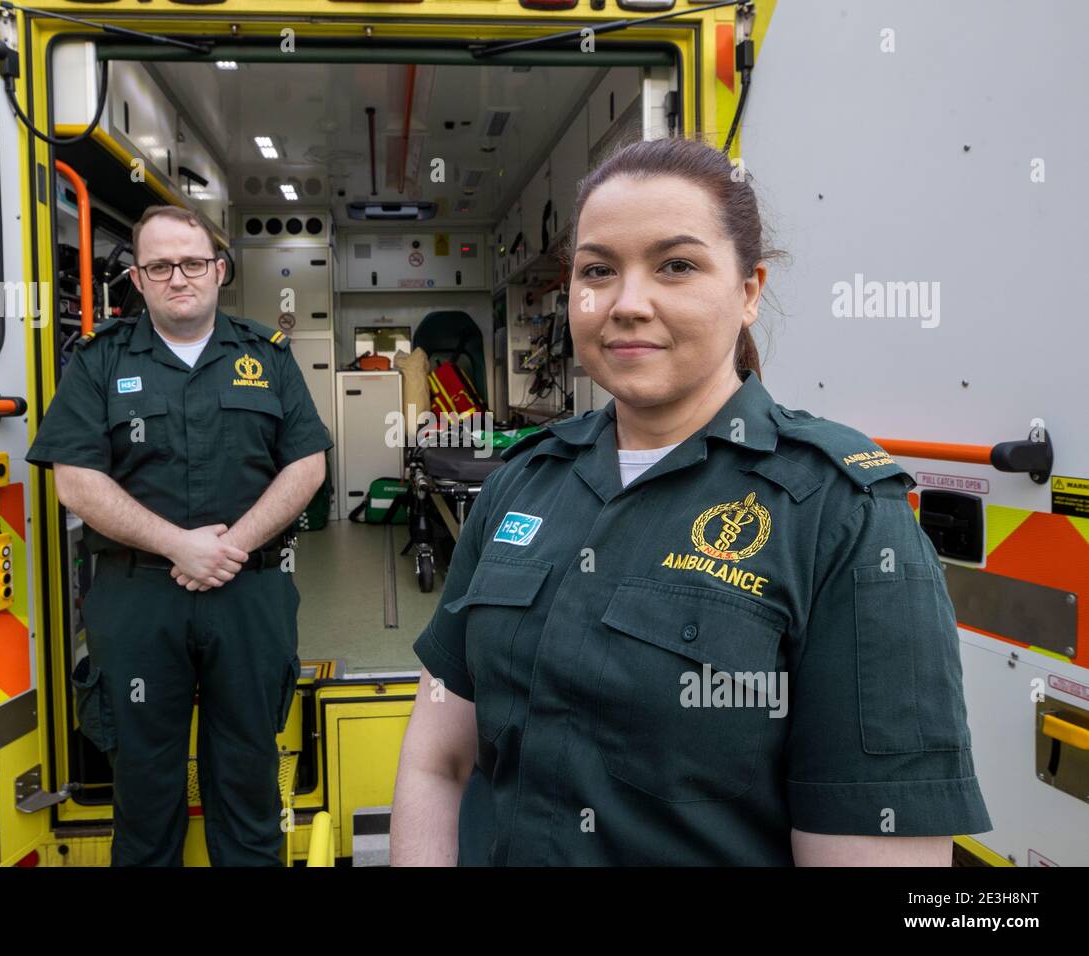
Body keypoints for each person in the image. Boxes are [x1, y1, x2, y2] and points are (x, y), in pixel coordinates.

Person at [390, 138, 990, 866]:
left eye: (676, 265)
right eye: (598, 271)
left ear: (748, 291)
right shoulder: (522, 481)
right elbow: (436, 755)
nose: (627, 304)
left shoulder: (843, 516)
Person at [26, 204, 332, 865]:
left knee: (251, 775)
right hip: (139, 599)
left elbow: (307, 465)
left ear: (219, 271)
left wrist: (233, 546)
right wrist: (178, 545)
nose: (178, 277)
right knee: (142, 785)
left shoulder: (266, 358)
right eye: (159, 265)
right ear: (136, 279)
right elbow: (75, 482)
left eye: (192, 263)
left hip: (248, 594)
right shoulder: (99, 363)